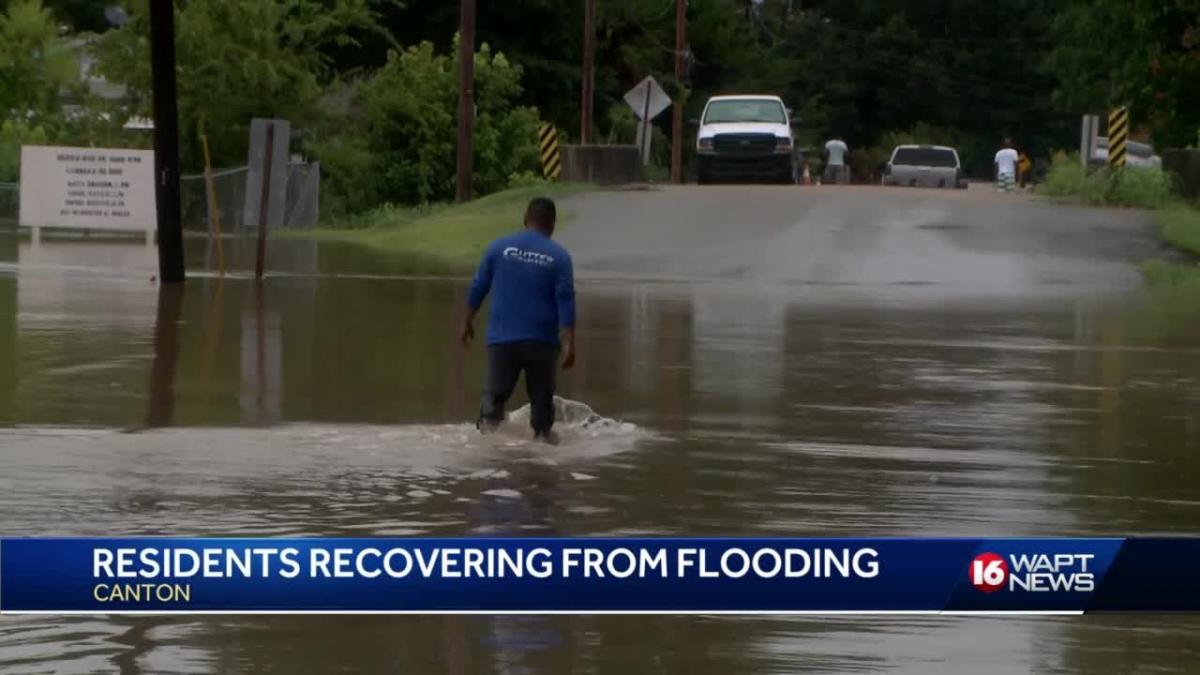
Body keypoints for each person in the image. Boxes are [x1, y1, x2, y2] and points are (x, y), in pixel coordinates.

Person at [460, 197, 576, 443]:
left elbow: (478, 286)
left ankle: (490, 458)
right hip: (542, 344)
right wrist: (569, 343)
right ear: (552, 225)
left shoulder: (498, 247)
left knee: (492, 407)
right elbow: (566, 300)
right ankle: (542, 461)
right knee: (542, 414)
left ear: (525, 219)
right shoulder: (559, 257)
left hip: (502, 342)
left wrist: (466, 321)